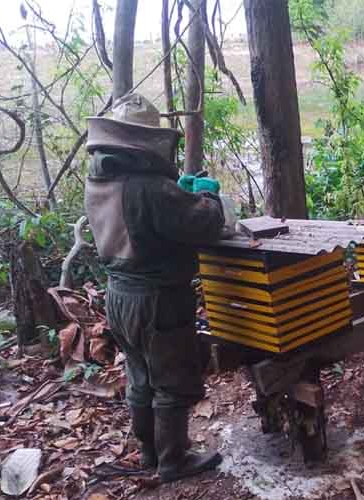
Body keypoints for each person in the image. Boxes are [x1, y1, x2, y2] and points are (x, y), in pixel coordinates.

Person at [84, 93, 225, 483]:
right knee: (171, 380)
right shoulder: (150, 188)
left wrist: (178, 193)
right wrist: (207, 195)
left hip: (118, 296)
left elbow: (148, 221)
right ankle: (173, 460)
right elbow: (205, 223)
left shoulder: (99, 181)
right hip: (157, 299)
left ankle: (150, 452)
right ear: (146, 141)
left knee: (140, 375)